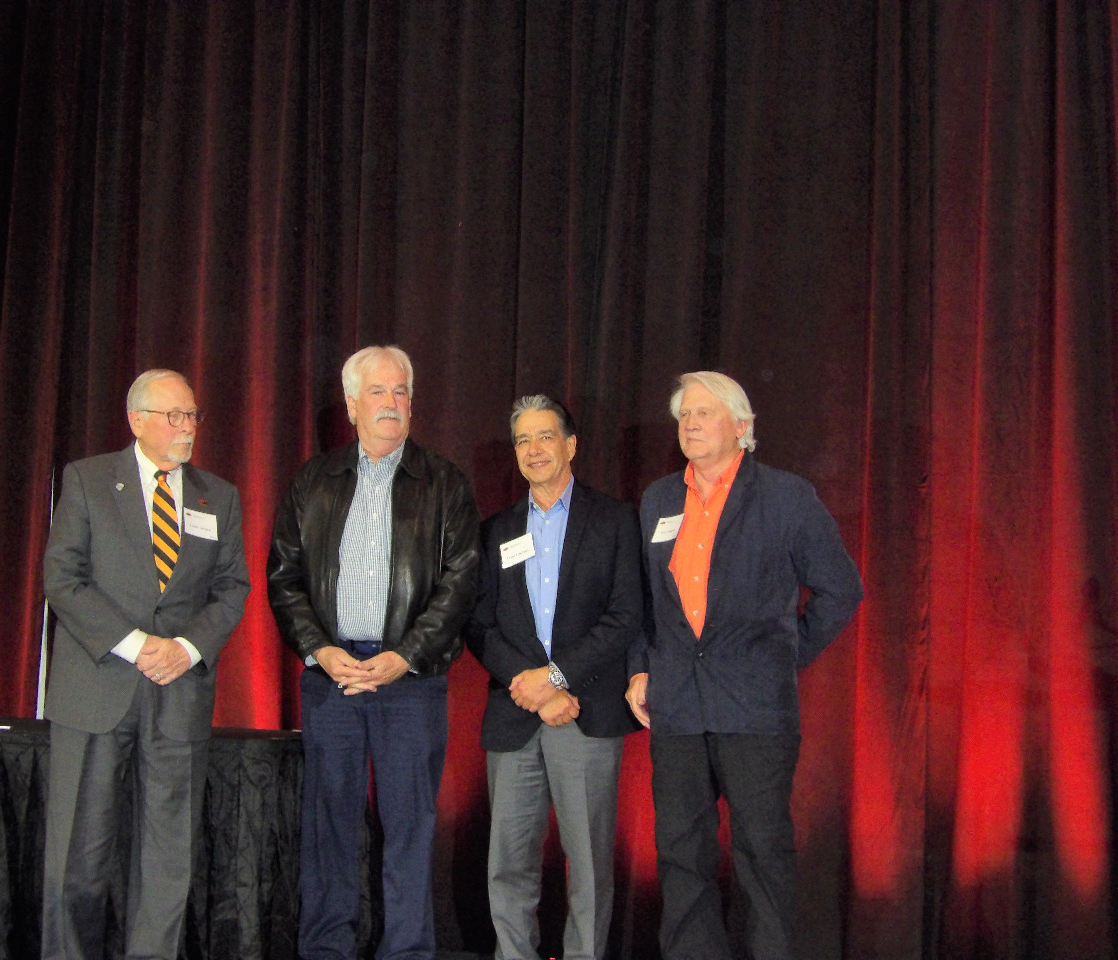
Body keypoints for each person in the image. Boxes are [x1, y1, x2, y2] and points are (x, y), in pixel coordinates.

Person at [625, 371, 862, 960]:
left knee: (763, 855)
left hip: (755, 711)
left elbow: (840, 589)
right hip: (677, 708)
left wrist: (784, 655)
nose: (691, 424)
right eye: (684, 416)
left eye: (705, 413)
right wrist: (639, 669)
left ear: (743, 426)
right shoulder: (658, 500)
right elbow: (642, 602)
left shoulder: (786, 497)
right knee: (681, 856)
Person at [266, 345, 481, 960]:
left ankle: (408, 950)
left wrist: (405, 655)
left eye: (402, 392)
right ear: (353, 406)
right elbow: (284, 576)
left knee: (410, 828)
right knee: (328, 822)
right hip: (331, 678)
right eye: (379, 393)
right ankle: (325, 949)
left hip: (408, 683)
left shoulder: (444, 483)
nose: (392, 403)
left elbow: (461, 581)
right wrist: (319, 651)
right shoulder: (314, 480)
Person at [41, 369, 250, 960]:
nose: (187, 429)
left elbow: (231, 589)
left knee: (166, 861)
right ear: (137, 421)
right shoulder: (86, 480)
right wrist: (135, 644)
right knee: (78, 856)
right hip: (97, 688)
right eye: (174, 416)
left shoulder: (219, 495)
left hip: (178, 695)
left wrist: (184, 649)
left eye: (192, 416)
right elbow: (62, 577)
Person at [466, 396, 642, 960]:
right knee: (507, 866)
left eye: (545, 437)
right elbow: (478, 622)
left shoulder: (615, 520)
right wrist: (533, 684)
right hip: (517, 713)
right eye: (522, 440)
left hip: (586, 713)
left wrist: (559, 678)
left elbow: (626, 616)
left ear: (571, 445)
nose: (534, 450)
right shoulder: (494, 531)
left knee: (588, 868)